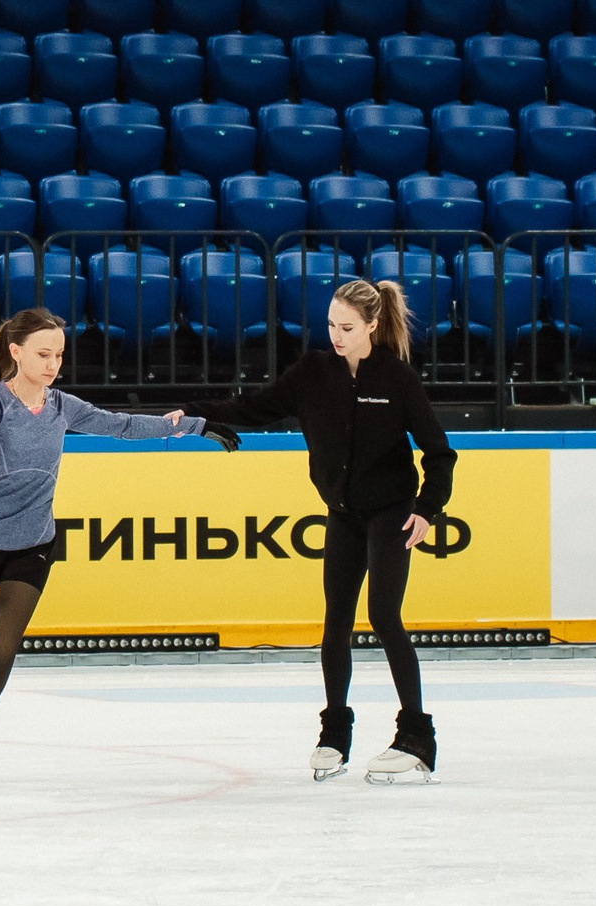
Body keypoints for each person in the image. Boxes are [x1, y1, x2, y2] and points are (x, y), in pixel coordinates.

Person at [0, 307, 225, 789]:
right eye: (43, 354)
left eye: (59, 355)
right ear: (16, 352)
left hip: (34, 542)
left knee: (4, 646)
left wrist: (189, 427)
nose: (52, 364)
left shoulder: (63, 406)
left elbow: (123, 425)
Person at [192, 278, 455, 785]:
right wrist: (196, 416)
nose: (336, 335)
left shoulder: (397, 379)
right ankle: (335, 733)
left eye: (348, 327)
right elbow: (255, 407)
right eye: (332, 325)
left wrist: (427, 509)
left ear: (373, 327)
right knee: (336, 620)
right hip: (343, 512)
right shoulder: (313, 371)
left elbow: (439, 454)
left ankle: (417, 738)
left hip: (391, 512)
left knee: (383, 615)